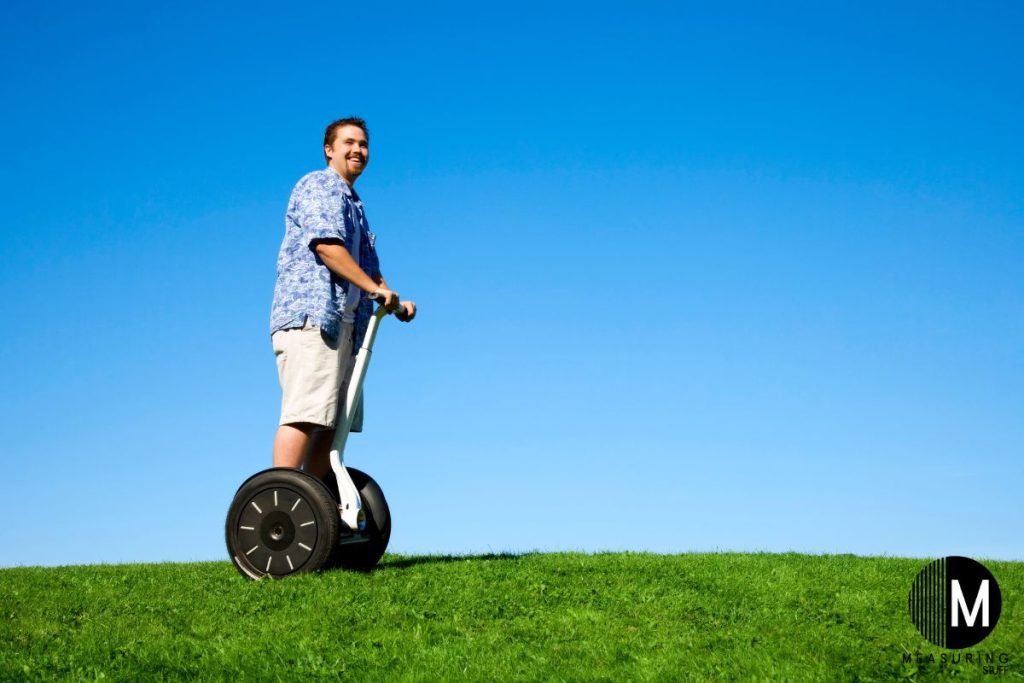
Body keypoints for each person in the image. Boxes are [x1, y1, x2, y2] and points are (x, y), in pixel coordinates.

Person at [269, 117, 416, 479]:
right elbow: (326, 246)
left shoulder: (357, 207)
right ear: (329, 150)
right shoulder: (319, 185)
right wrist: (374, 289)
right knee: (305, 415)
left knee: (331, 425)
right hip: (314, 319)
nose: (358, 150)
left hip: (348, 328)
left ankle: (316, 510)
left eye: (364, 145)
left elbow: (370, 271)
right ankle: (280, 500)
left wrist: (395, 300)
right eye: (349, 142)